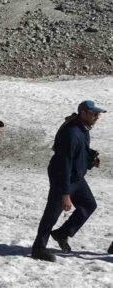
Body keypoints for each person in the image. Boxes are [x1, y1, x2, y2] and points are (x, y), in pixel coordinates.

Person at [31, 100, 105, 262]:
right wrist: (65, 193)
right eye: (94, 113)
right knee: (52, 213)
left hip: (76, 178)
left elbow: (79, 152)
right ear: (83, 113)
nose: (97, 116)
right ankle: (38, 248)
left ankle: (62, 233)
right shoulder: (71, 133)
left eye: (98, 114)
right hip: (63, 178)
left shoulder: (82, 129)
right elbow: (64, 164)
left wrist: (90, 159)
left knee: (88, 205)